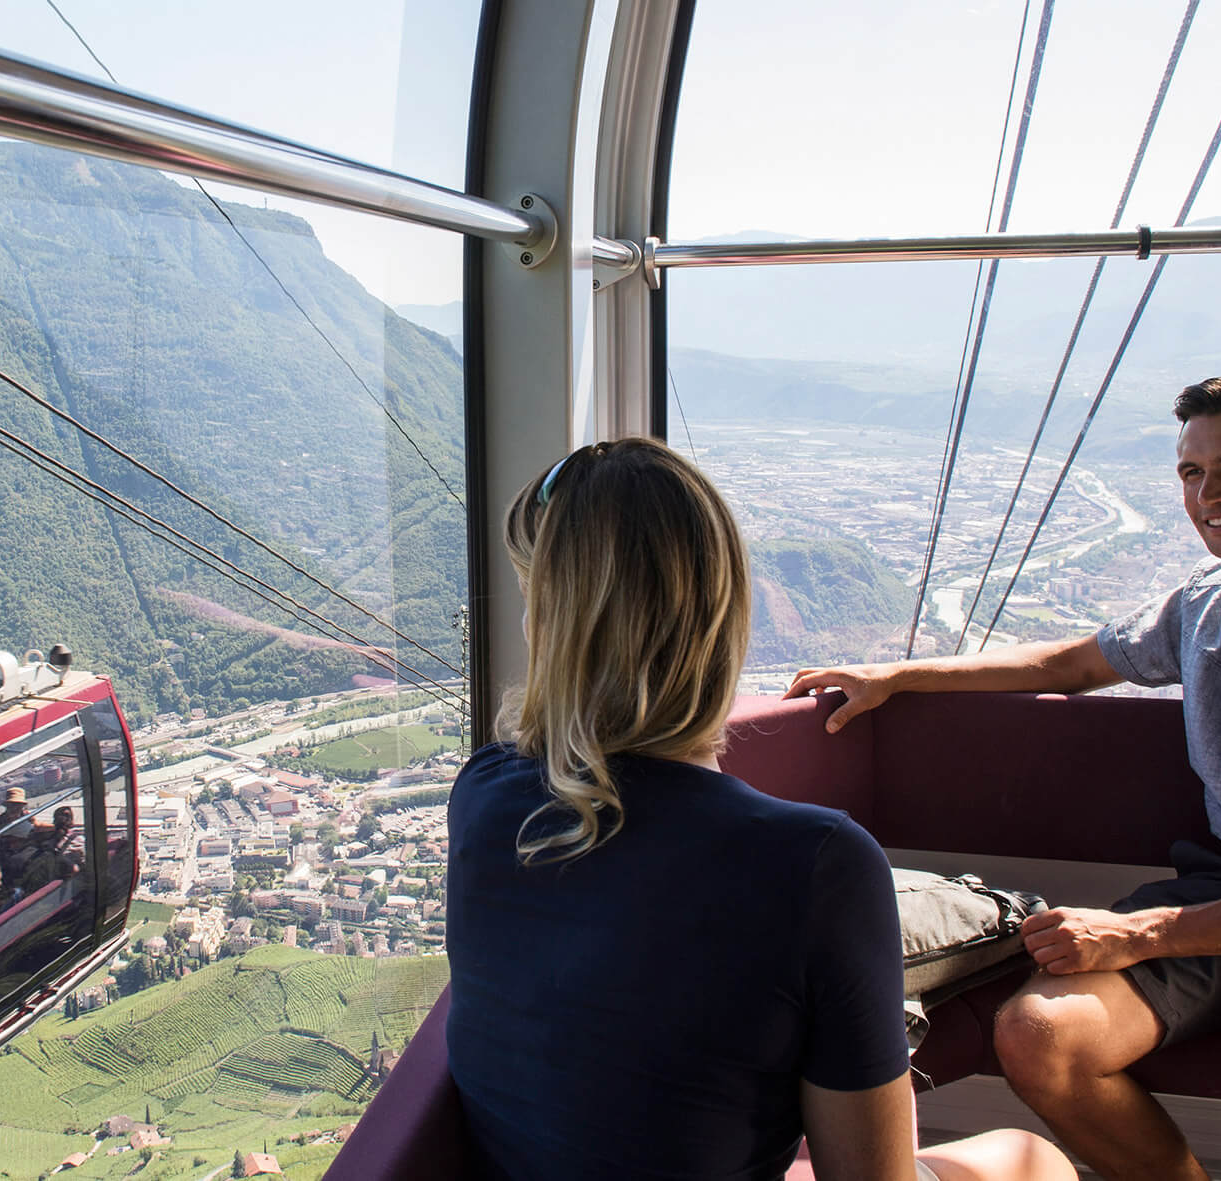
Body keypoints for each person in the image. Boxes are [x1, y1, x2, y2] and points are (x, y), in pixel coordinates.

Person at [787, 375, 1221, 1181]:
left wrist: (1139, 933)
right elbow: (1070, 661)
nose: (1209, 493)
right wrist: (899, 676)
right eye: (1191, 472)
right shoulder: (1205, 604)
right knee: (1040, 1033)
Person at [448, 437, 1072, 1181]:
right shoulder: (815, 862)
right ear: (720, 616)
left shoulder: (483, 794)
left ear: (555, 626)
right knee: (1030, 1158)